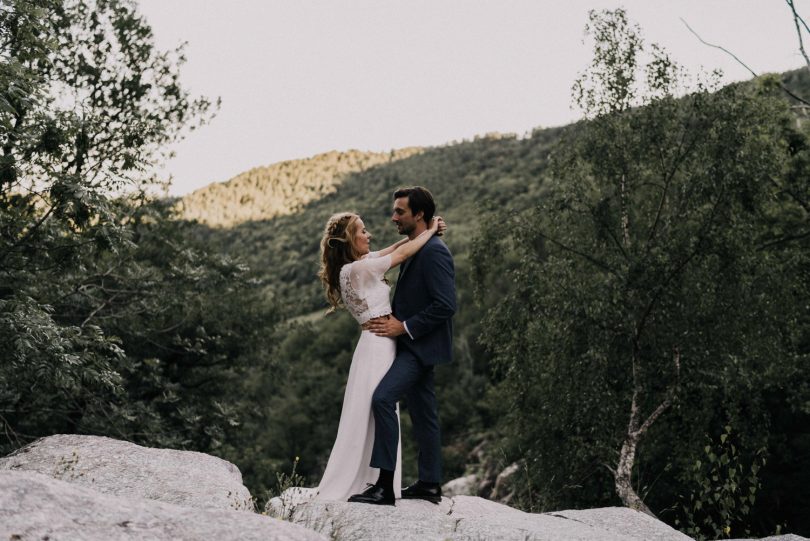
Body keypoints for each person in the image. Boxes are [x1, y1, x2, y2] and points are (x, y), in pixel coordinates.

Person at [314, 206, 445, 503]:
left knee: (376, 409)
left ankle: (379, 480)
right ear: (349, 240)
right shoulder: (360, 269)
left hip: (376, 343)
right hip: (379, 345)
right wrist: (432, 229)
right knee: (381, 405)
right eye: (362, 231)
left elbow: (397, 246)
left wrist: (424, 231)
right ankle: (380, 482)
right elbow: (402, 255)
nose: (368, 235)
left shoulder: (358, 265)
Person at [349, 186, 456, 506]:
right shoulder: (417, 245)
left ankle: (384, 486)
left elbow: (446, 305)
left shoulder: (434, 252)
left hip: (420, 345)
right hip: (412, 344)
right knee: (424, 414)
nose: (393, 216)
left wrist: (403, 327)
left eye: (400, 212)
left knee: (382, 399)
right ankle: (430, 483)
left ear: (418, 215)